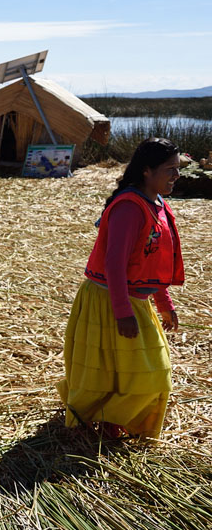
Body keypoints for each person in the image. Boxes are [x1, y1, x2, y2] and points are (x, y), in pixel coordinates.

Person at [58, 138, 184, 438]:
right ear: (146, 171)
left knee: (129, 368)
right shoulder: (129, 208)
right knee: (124, 371)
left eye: (178, 169)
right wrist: (122, 311)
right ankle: (96, 418)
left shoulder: (157, 204)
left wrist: (165, 304)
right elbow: (115, 263)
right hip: (108, 299)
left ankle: (112, 419)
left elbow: (154, 260)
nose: (177, 176)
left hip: (135, 300)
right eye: (170, 169)